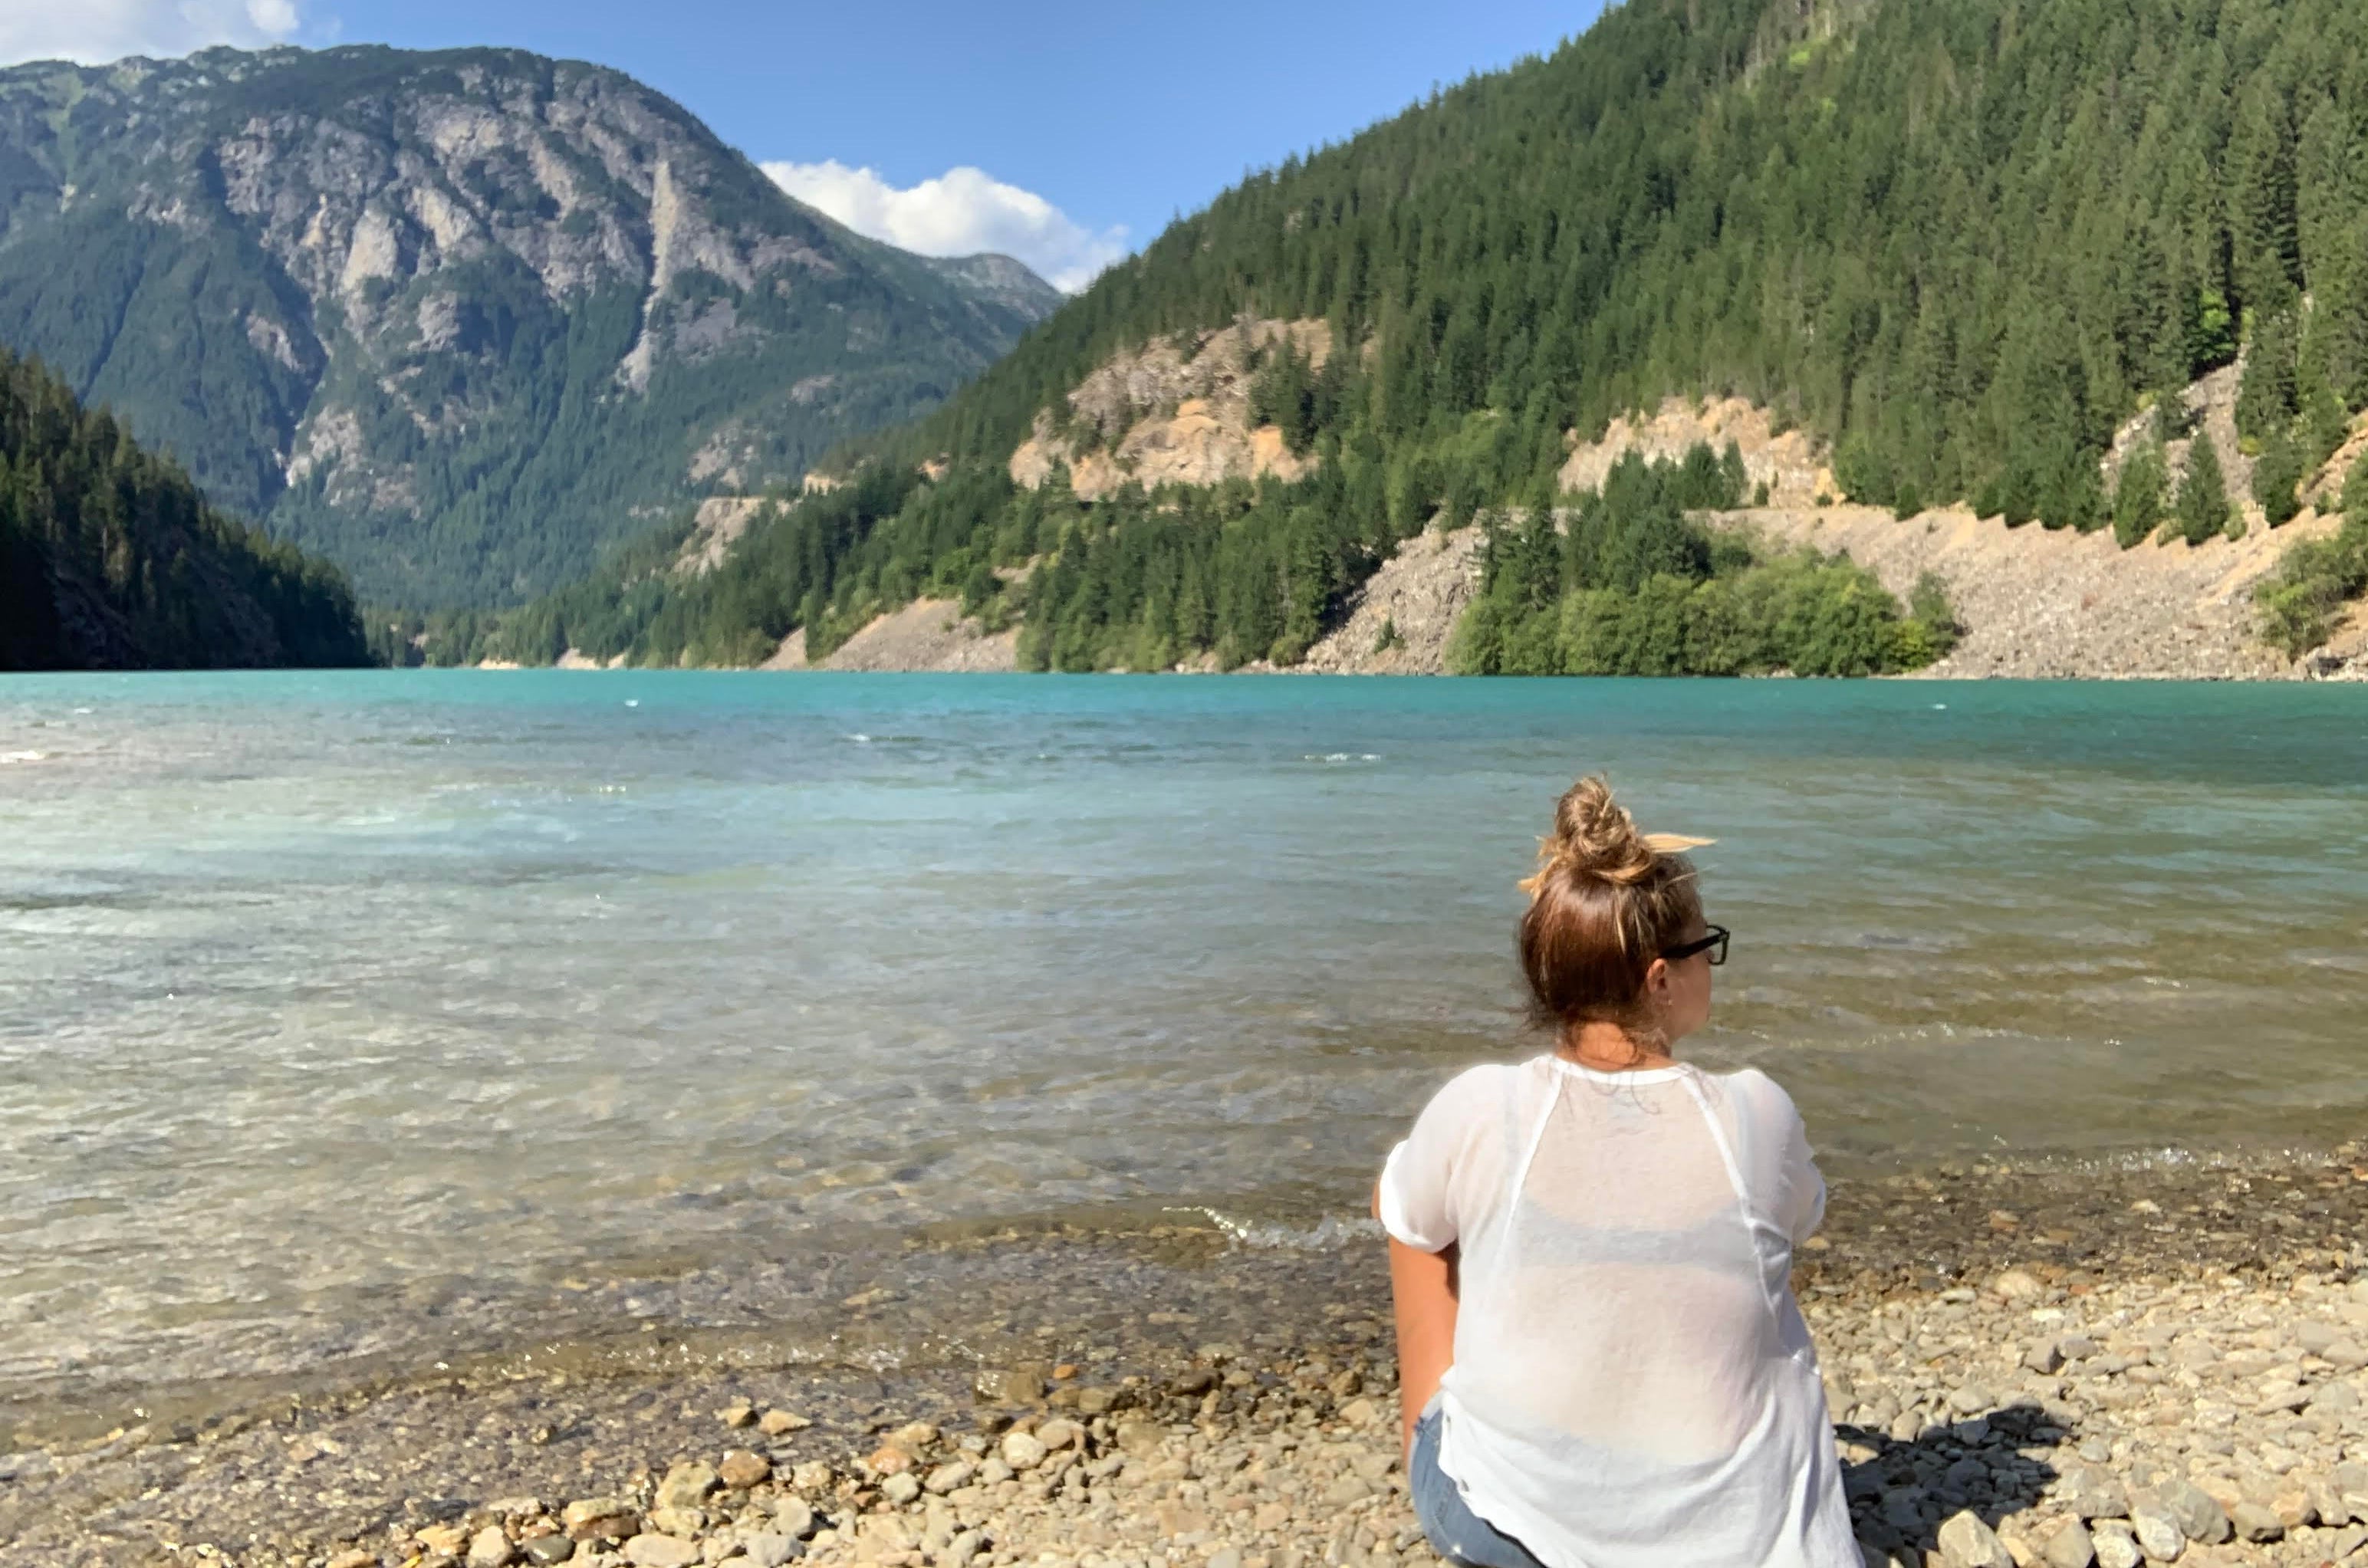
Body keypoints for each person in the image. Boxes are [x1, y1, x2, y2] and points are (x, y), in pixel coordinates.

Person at [1372, 776, 1856, 1568]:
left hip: (1504, 1524)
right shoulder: (1757, 1112)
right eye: (1708, 949)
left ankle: (1438, 1431)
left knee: (1418, 1203)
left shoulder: (1479, 1106)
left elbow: (1401, 1212)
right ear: (1661, 978)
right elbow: (1802, 1214)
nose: (1714, 966)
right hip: (1739, 1540)